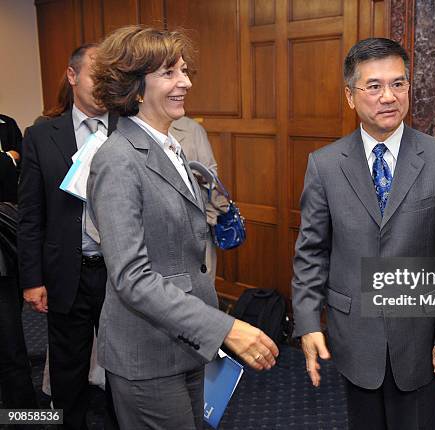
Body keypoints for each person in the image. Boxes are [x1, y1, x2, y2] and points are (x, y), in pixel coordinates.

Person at [88, 25, 278, 429]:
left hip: (187, 345)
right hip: (148, 355)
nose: (185, 83)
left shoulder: (172, 148)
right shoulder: (118, 159)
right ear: (135, 86)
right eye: (170, 73)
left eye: (184, 71)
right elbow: (132, 277)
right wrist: (225, 327)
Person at [291, 38, 435, 430]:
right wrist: (308, 322)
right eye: (374, 86)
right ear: (350, 96)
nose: (388, 96)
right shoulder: (324, 166)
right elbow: (311, 252)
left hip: (422, 340)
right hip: (354, 336)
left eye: (399, 83)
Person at [18, 43, 118, 429]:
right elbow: (30, 215)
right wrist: (32, 280)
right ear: (72, 76)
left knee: (123, 369)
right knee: (67, 371)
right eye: (98, 77)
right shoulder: (42, 136)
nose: (105, 87)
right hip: (66, 273)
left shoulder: (127, 129)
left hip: (120, 273)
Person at [170, 116, 219, 282]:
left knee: (202, 283)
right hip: (163, 226)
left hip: (196, 219)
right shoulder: (135, 129)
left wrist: (194, 177)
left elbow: (212, 174)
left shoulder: (192, 129)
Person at [0, 113, 21, 203]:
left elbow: (21, 154)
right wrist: (9, 156)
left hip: (11, 184)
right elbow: (14, 155)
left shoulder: (8, 122)